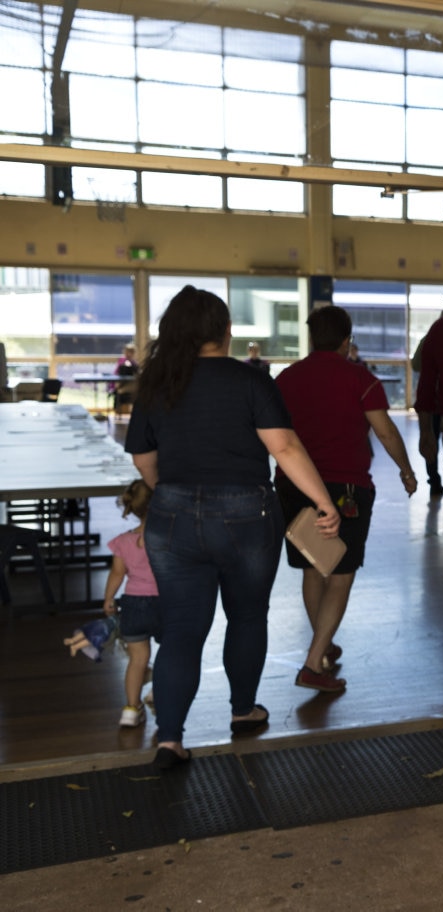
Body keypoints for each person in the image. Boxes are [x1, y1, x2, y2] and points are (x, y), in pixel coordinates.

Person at [125, 285, 339, 771]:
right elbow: (283, 447)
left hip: (174, 518)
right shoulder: (250, 380)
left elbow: (143, 456)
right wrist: (322, 500)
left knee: (180, 631)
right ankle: (243, 710)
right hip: (246, 514)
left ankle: (170, 740)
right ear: (226, 331)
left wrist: (171, 493)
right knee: (246, 616)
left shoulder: (159, 383)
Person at [274, 305, 418, 693]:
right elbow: (386, 432)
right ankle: (312, 665)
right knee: (340, 574)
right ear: (346, 339)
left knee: (312, 569)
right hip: (346, 490)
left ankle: (323, 643)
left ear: (311, 338)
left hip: (292, 486)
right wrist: (406, 470)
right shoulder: (361, 379)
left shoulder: (286, 378)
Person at [100, 479, 159, 728]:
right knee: (169, 653)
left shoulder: (123, 542)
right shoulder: (169, 538)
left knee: (137, 660)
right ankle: (159, 694)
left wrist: (109, 598)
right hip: (165, 603)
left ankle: (130, 709)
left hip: (133, 604)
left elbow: (117, 574)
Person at [413, 298, 443, 500]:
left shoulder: (436, 331)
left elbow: (422, 373)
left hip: (442, 409)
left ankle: (436, 481)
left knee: (435, 444)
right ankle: (441, 481)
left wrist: (424, 429)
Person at [113, 342, 139, 416]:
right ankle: (117, 411)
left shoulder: (134, 364)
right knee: (116, 392)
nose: (129, 354)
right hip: (123, 386)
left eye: (131, 352)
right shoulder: (122, 362)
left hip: (131, 387)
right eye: (127, 352)